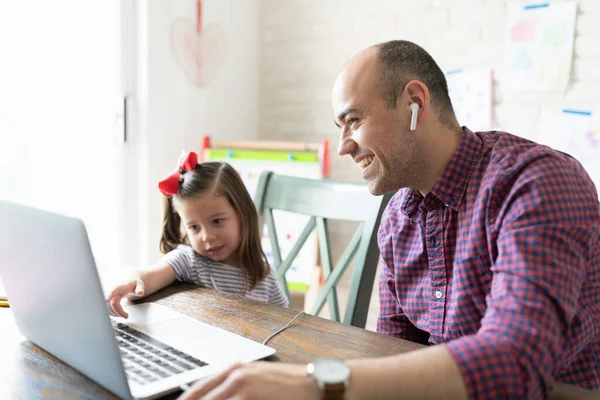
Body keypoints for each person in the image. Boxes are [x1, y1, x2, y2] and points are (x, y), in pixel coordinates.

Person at [179, 40, 600, 400]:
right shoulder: (398, 219)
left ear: (414, 103)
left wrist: (315, 385)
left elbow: (517, 363)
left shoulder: (537, 183)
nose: (343, 146)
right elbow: (390, 353)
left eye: (354, 121)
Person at [107, 151, 288, 318]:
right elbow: (147, 275)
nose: (206, 236)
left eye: (217, 221)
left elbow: (285, 322)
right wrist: (132, 282)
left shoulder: (264, 275)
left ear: (243, 214)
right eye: (194, 227)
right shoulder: (189, 261)